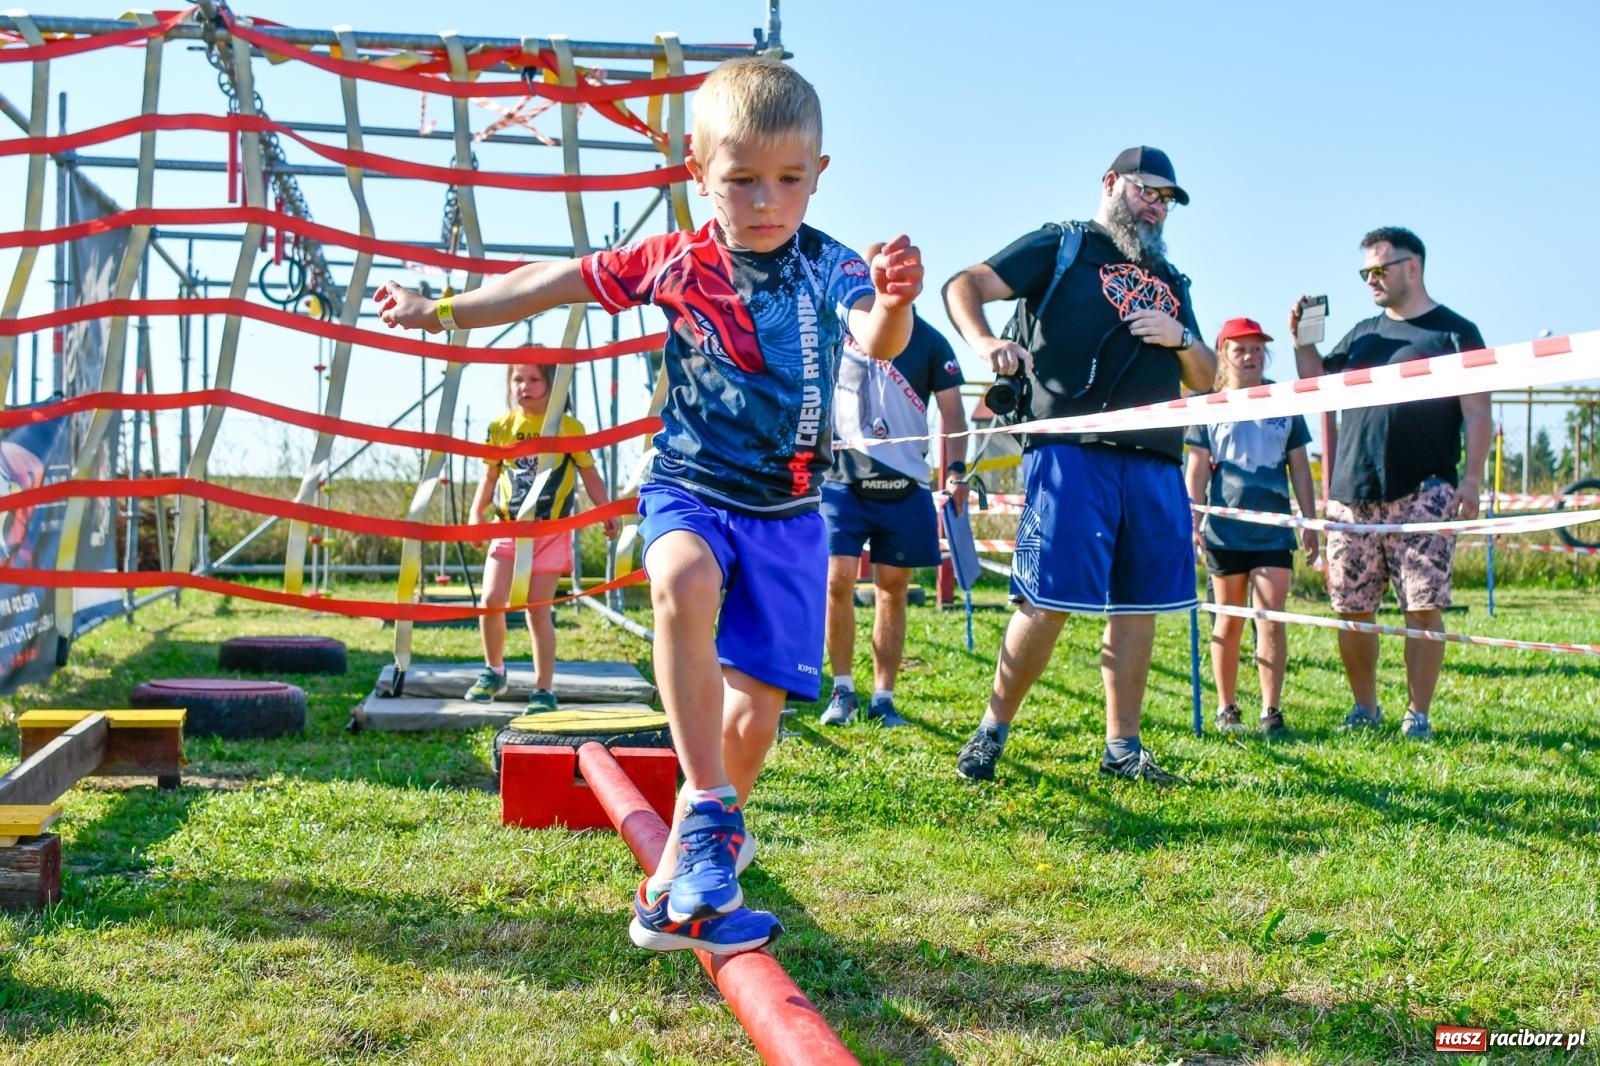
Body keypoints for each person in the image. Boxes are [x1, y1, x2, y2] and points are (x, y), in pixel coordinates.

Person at [372, 57, 922, 953]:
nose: (766, 202)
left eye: (788, 180)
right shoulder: (675, 259)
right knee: (679, 579)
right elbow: (547, 283)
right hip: (690, 487)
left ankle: (684, 872)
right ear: (697, 171)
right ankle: (705, 807)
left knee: (756, 718)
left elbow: (875, 335)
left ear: (820, 174)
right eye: (742, 180)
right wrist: (442, 307)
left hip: (787, 512)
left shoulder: (832, 265)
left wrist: (896, 302)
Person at [942, 146, 1215, 785]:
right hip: (1071, 455)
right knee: (1046, 602)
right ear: (1112, 183)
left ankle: (1123, 748)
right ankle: (991, 730)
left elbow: (1205, 376)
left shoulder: (1172, 281)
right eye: (1148, 191)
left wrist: (1179, 338)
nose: (1157, 206)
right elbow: (965, 285)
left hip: (1154, 460)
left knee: (1140, 606)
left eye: (1167, 199)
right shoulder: (1062, 245)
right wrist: (986, 343)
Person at [1291, 227, 1488, 741]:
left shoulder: (1455, 333)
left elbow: (1477, 409)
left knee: (1422, 604)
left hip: (1425, 489)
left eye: (1379, 269)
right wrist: (1303, 342)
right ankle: (1365, 708)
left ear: (1413, 267)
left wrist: (1472, 478)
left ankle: (1416, 715)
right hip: (1352, 493)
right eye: (1365, 272)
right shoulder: (1361, 334)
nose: (1371, 279)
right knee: (1351, 608)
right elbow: (1315, 385)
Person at [820, 310, 968, 729]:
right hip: (841, 479)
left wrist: (956, 470)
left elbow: (954, 412)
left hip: (905, 483)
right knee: (836, 579)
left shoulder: (930, 338)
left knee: (892, 588)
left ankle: (883, 698)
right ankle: (843, 689)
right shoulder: (837, 333)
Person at [1183, 318, 1318, 735]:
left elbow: (1300, 467)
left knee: (1271, 617)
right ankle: (1226, 708)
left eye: (1258, 349)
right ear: (1223, 353)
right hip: (1225, 531)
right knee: (1229, 620)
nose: (1251, 357)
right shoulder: (1209, 405)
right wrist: (1193, 520)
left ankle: (1271, 711)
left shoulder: (1283, 401)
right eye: (1241, 349)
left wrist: (1309, 521)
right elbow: (1197, 471)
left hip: (1275, 530)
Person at [463, 358, 619, 713]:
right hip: (507, 531)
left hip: (550, 534)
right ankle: (493, 670)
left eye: (534, 379)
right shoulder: (501, 427)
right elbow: (490, 477)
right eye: (518, 379)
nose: (524, 386)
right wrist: (476, 513)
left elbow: (589, 475)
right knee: (490, 600)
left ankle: (543, 689)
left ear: (553, 385)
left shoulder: (568, 428)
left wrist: (605, 509)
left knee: (538, 610)